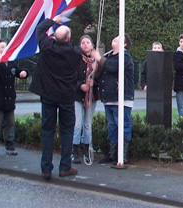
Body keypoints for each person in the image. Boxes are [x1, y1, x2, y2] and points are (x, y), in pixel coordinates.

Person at [29, 16, 82, 180]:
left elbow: (39, 30)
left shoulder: (47, 47)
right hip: (66, 96)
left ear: (54, 38)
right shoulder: (74, 53)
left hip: (48, 95)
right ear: (69, 38)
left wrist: (53, 20)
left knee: (48, 131)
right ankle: (65, 166)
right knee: (67, 131)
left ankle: (46, 168)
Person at [95, 34, 135, 165]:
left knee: (122, 125)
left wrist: (100, 59)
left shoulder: (125, 56)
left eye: (118, 38)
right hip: (109, 98)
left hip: (121, 98)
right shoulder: (109, 56)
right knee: (112, 126)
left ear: (124, 44)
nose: (115, 38)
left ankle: (123, 155)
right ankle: (112, 154)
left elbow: (113, 67)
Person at [0, 40, 29, 157]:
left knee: (10, 123)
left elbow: (18, 70)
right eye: (2, 47)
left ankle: (10, 146)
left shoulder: (11, 62)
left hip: (9, 99)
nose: (5, 48)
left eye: (6, 46)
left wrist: (24, 72)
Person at [72, 35, 99, 165]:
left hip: (91, 97)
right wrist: (80, 85)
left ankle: (86, 151)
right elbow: (71, 77)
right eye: (83, 42)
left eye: (88, 42)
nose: (85, 44)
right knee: (77, 124)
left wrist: (94, 82)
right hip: (78, 95)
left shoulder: (96, 62)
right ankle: (74, 151)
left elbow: (101, 78)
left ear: (92, 45)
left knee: (87, 124)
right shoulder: (76, 60)